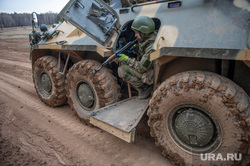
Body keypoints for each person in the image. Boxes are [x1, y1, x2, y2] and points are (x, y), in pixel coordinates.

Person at [117, 16, 156, 99]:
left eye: (137, 33)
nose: (135, 35)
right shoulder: (149, 38)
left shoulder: (151, 47)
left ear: (143, 32)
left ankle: (146, 87)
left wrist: (127, 59)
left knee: (122, 70)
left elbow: (142, 68)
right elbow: (141, 49)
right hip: (149, 68)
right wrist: (136, 48)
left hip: (150, 72)